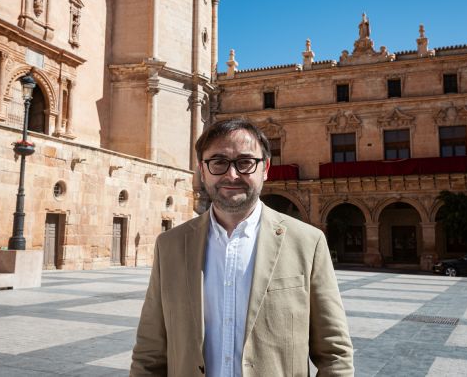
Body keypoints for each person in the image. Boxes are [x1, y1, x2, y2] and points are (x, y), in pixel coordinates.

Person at [131, 119, 353, 377]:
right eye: (218, 162)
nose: (232, 175)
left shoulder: (307, 242)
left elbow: (335, 355)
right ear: (202, 170)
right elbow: (149, 353)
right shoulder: (170, 245)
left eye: (245, 162)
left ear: (266, 168)